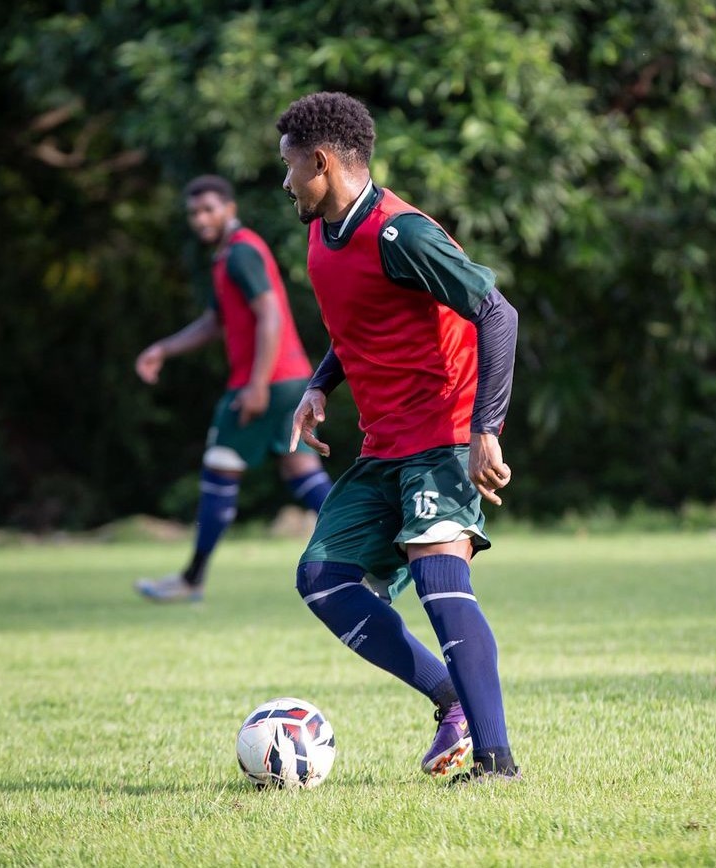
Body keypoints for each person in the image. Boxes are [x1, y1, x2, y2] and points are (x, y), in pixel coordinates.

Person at [275, 92, 521, 782]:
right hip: (384, 446)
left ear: (321, 162)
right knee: (322, 579)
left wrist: (487, 432)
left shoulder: (400, 233)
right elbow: (360, 323)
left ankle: (497, 765)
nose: (286, 181)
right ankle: (452, 700)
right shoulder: (321, 233)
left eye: (291, 166)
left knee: (439, 574)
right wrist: (322, 382)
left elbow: (497, 314)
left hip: (443, 436)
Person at [133, 174, 332, 603]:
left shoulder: (241, 252)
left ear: (229, 208)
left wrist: (257, 385)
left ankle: (191, 580)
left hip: (267, 383)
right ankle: (375, 553)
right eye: (193, 212)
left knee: (220, 468)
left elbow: (271, 317)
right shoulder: (227, 256)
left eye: (208, 209)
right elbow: (215, 321)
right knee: (303, 475)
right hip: (288, 379)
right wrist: (163, 349)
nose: (200, 218)